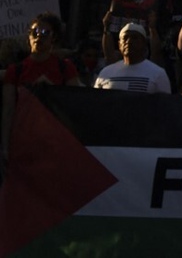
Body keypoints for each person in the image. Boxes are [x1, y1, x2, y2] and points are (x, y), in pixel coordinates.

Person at [2, 13, 81, 169]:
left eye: (45, 33)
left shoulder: (65, 68)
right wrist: (4, 146)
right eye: (34, 32)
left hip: (55, 144)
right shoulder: (15, 71)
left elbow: (75, 105)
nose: (39, 36)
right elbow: (8, 111)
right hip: (23, 143)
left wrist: (51, 90)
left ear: (54, 38)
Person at [94, 23, 171, 93]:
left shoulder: (158, 74)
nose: (129, 41)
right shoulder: (105, 73)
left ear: (144, 44)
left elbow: (165, 104)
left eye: (135, 38)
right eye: (125, 38)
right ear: (119, 45)